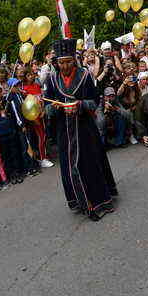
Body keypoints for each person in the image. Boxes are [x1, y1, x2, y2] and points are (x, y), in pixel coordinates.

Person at [43, 38, 117, 221]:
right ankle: (79, 201)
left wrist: (81, 104)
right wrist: (55, 108)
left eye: (68, 61)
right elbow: (47, 106)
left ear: (74, 60)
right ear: (56, 62)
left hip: (84, 128)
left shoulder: (84, 76)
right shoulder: (52, 79)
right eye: (61, 62)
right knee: (70, 166)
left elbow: (96, 100)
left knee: (89, 164)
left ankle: (99, 201)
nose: (65, 65)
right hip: (64, 131)